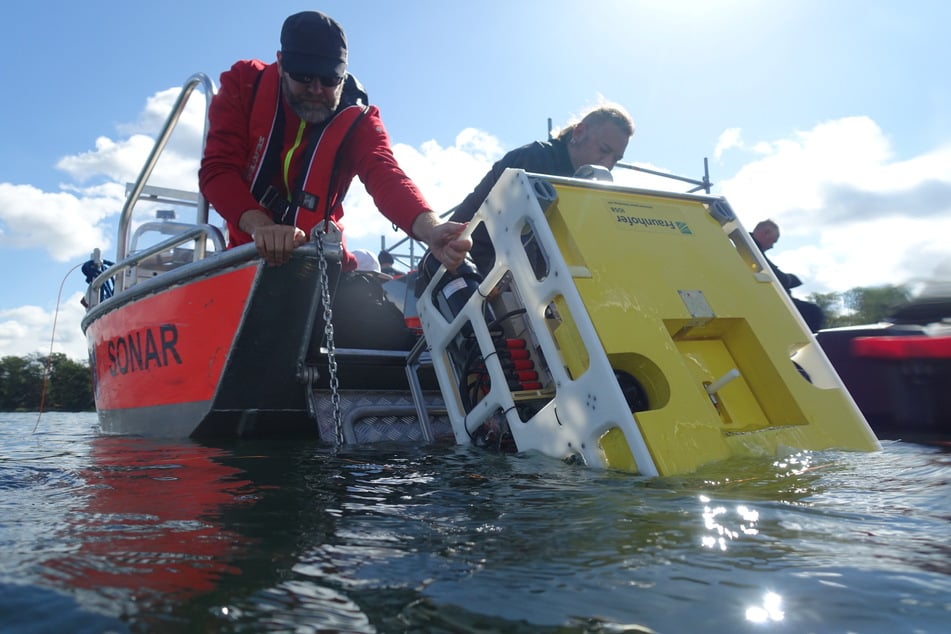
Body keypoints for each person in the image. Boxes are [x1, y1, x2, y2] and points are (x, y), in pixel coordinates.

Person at [198, 10, 470, 274]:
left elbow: (386, 175)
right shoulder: (245, 83)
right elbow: (217, 170)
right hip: (245, 263)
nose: (316, 90)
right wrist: (262, 227)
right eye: (303, 76)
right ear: (281, 64)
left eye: (329, 78)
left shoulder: (359, 119)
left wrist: (432, 229)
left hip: (325, 269)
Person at [447, 103, 635, 276]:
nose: (608, 164)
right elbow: (523, 239)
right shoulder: (535, 160)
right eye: (603, 150)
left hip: (493, 273)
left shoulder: (578, 185)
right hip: (460, 268)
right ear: (578, 132)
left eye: (616, 159)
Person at [750, 219, 825, 332]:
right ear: (766, 232)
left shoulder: (749, 247)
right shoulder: (750, 248)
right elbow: (776, 277)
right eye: (773, 241)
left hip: (766, 298)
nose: (772, 246)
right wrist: (791, 279)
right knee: (812, 312)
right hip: (768, 301)